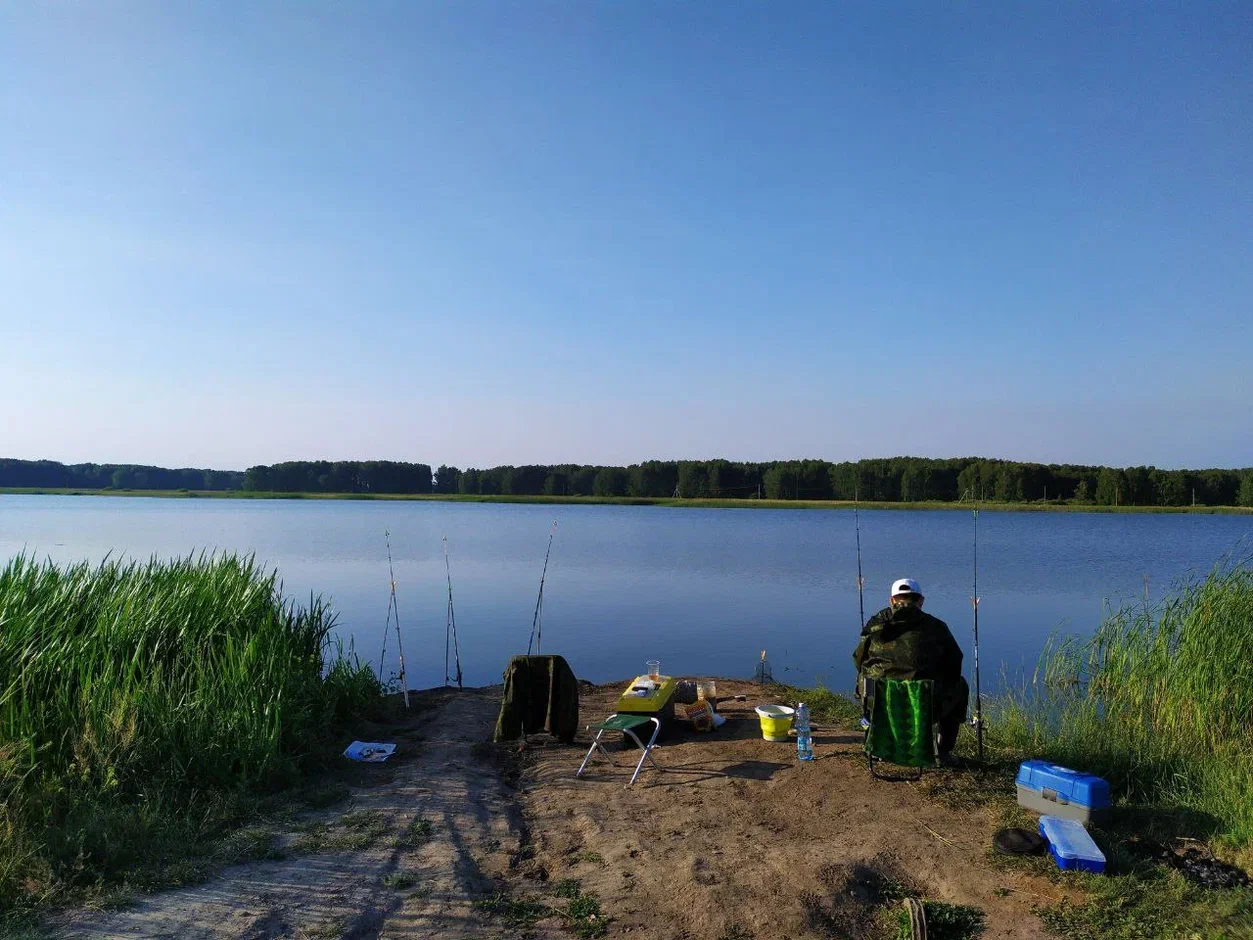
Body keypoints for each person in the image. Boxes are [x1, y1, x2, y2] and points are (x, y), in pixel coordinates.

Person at [853, 577, 970, 766]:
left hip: (880, 703)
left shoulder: (876, 626)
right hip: (925, 706)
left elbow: (858, 659)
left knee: (866, 680)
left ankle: (874, 746)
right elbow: (955, 662)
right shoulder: (937, 627)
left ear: (892, 600)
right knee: (960, 685)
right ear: (921, 601)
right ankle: (942, 753)